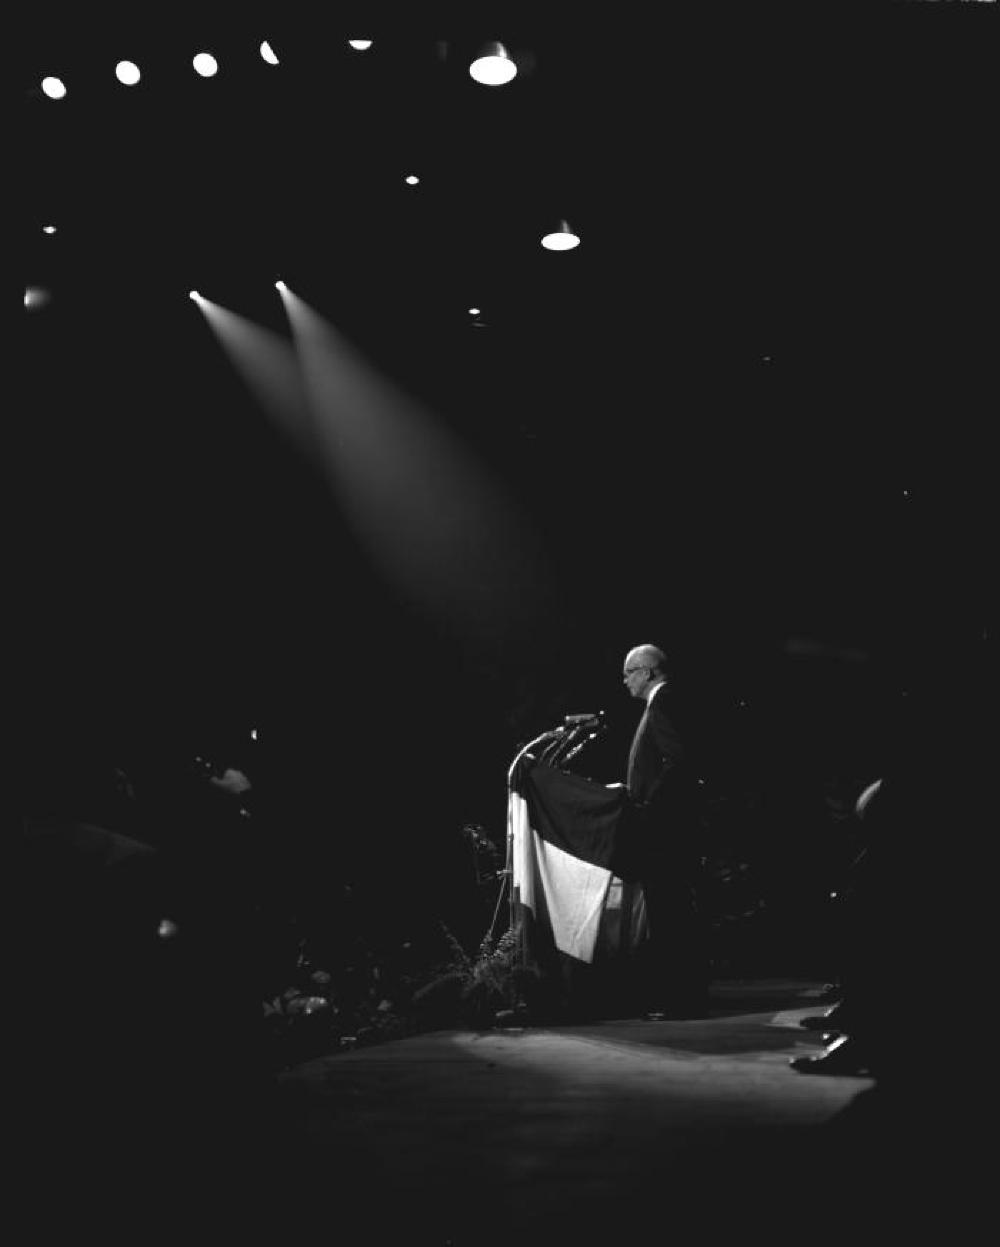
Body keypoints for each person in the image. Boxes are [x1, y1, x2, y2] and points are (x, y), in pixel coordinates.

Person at [618, 643, 710, 1017]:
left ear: (648, 672)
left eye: (629, 673)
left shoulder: (665, 702)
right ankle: (684, 995)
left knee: (670, 916)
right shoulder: (666, 702)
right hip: (670, 829)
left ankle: (681, 1000)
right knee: (673, 914)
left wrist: (648, 809)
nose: (624, 681)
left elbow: (679, 763)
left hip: (665, 832)